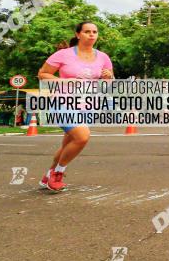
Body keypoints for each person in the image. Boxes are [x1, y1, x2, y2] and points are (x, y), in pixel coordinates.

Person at [36, 21, 114, 192]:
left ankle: (48, 175)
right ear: (78, 34)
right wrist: (63, 80)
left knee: (67, 145)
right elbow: (42, 74)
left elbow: (108, 83)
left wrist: (108, 76)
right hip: (62, 103)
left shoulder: (103, 57)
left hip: (88, 105)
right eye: (87, 31)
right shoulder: (63, 55)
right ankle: (58, 173)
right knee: (82, 136)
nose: (91, 34)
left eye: (94, 31)